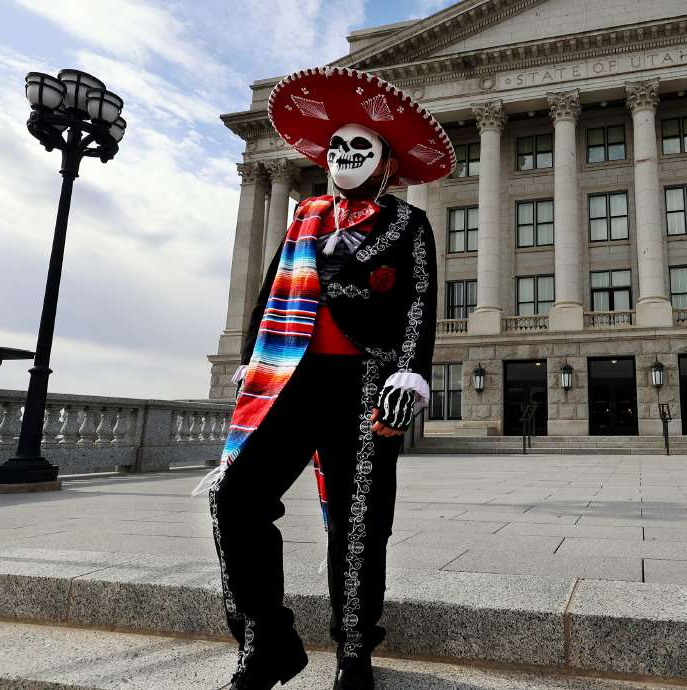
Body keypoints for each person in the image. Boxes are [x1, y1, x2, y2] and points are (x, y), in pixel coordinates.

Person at [196, 66, 454, 690]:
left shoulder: (407, 225)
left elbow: (421, 302)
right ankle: (267, 640)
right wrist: (250, 362)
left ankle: (354, 649)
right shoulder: (305, 216)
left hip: (366, 385)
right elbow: (269, 294)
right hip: (290, 379)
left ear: (387, 163)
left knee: (359, 519)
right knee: (234, 499)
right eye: (336, 147)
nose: (344, 157)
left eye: (359, 148)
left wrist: (412, 375)